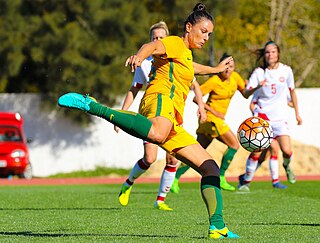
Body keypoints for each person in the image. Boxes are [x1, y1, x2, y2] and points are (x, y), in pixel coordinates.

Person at [58, 3, 239, 238]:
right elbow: (152, 46)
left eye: (209, 34)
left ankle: (217, 225)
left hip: (174, 120)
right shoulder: (174, 42)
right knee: (156, 134)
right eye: (203, 31)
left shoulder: (185, 53)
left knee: (210, 168)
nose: (206, 37)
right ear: (189, 27)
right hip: (159, 99)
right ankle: (94, 106)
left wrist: (215, 69)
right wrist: (139, 56)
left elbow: (191, 67)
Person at [115, 19, 206, 211]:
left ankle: (160, 200)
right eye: (154, 37)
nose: (158, 40)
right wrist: (123, 112)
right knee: (149, 158)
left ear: (167, 38)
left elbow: (194, 83)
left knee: (173, 158)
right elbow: (134, 89)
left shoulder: (177, 56)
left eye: (161, 37)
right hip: (153, 110)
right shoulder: (146, 64)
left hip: (174, 112)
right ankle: (128, 183)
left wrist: (202, 106)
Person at [170, 53, 247, 193]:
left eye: (231, 66)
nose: (228, 69)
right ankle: (222, 177)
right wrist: (214, 111)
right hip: (211, 119)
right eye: (226, 66)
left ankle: (174, 179)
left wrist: (258, 85)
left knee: (197, 153)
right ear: (220, 66)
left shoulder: (236, 78)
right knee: (234, 144)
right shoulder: (214, 81)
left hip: (211, 122)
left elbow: (246, 93)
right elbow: (195, 98)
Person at [238, 40, 303, 191]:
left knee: (286, 151)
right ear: (264, 55)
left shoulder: (286, 70)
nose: (270, 55)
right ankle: (246, 182)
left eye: (273, 51)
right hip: (262, 118)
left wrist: (297, 114)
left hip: (280, 118)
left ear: (278, 53)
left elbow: (292, 92)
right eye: (267, 52)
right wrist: (258, 85)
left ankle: (286, 166)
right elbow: (246, 95)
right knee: (258, 150)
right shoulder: (259, 73)